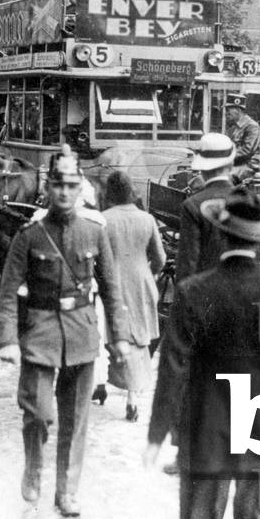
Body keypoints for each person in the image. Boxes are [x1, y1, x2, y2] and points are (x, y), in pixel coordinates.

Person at [145, 188, 260, 519]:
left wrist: (157, 434)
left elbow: (173, 368)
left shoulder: (193, 293)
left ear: (220, 233)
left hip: (205, 431)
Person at [0, 145, 131, 515]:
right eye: (58, 184)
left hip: (83, 333)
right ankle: (34, 467)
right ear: (48, 185)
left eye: (71, 185)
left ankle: (67, 490)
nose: (65, 192)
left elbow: (112, 286)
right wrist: (6, 339)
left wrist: (119, 336)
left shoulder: (94, 230)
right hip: (40, 332)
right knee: (38, 412)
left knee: (75, 421)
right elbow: (8, 291)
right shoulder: (30, 234)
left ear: (80, 186)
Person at [100, 170, 166, 422]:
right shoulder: (147, 219)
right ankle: (132, 398)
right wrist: (149, 274)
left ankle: (102, 384)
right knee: (139, 340)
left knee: (111, 335)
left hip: (112, 283)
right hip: (142, 283)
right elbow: (159, 259)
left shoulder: (103, 219)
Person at [177, 133, 237, 281]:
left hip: (205, 295)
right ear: (230, 165)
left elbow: (187, 263)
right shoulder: (248, 200)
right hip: (241, 296)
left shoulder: (192, 205)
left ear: (202, 170)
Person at [224, 94, 260, 180]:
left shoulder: (252, 127)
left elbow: (247, 150)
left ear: (237, 109)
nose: (226, 113)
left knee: (221, 180)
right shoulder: (233, 128)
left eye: (228, 110)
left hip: (249, 167)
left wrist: (224, 157)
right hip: (235, 166)